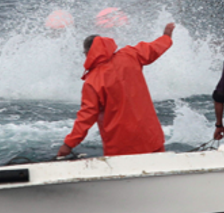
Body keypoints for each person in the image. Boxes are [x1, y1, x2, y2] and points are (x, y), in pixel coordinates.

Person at [56, 23, 175, 158]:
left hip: (121, 145)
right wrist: (166, 37)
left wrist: (69, 144)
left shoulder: (93, 81)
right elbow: (154, 48)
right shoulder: (130, 55)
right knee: (158, 172)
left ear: (88, 53)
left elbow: (86, 116)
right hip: (151, 136)